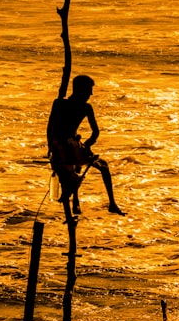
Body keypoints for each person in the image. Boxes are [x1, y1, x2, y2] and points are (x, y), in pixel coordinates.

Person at [47, 74, 124, 215]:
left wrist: (50, 147)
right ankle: (111, 203)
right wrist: (88, 145)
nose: (90, 95)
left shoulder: (59, 103)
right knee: (103, 166)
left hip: (58, 145)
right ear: (80, 90)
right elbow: (95, 132)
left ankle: (75, 199)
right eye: (88, 91)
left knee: (75, 169)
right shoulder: (85, 107)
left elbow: (49, 128)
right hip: (68, 146)